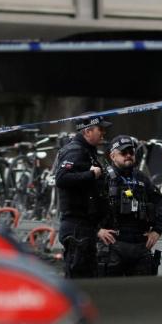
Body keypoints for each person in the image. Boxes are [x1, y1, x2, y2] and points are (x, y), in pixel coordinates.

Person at [97, 135, 162, 276]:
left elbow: (160, 203)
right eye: (124, 152)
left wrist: (157, 230)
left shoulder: (142, 178)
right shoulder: (103, 177)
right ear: (112, 156)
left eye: (131, 152)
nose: (129, 155)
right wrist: (97, 230)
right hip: (112, 245)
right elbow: (84, 208)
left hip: (140, 246)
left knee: (141, 294)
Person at [54, 114, 112, 278]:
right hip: (76, 227)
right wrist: (90, 174)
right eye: (100, 129)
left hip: (85, 227)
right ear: (87, 131)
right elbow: (61, 179)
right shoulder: (75, 151)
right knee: (78, 279)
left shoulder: (87, 150)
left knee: (87, 277)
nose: (103, 133)